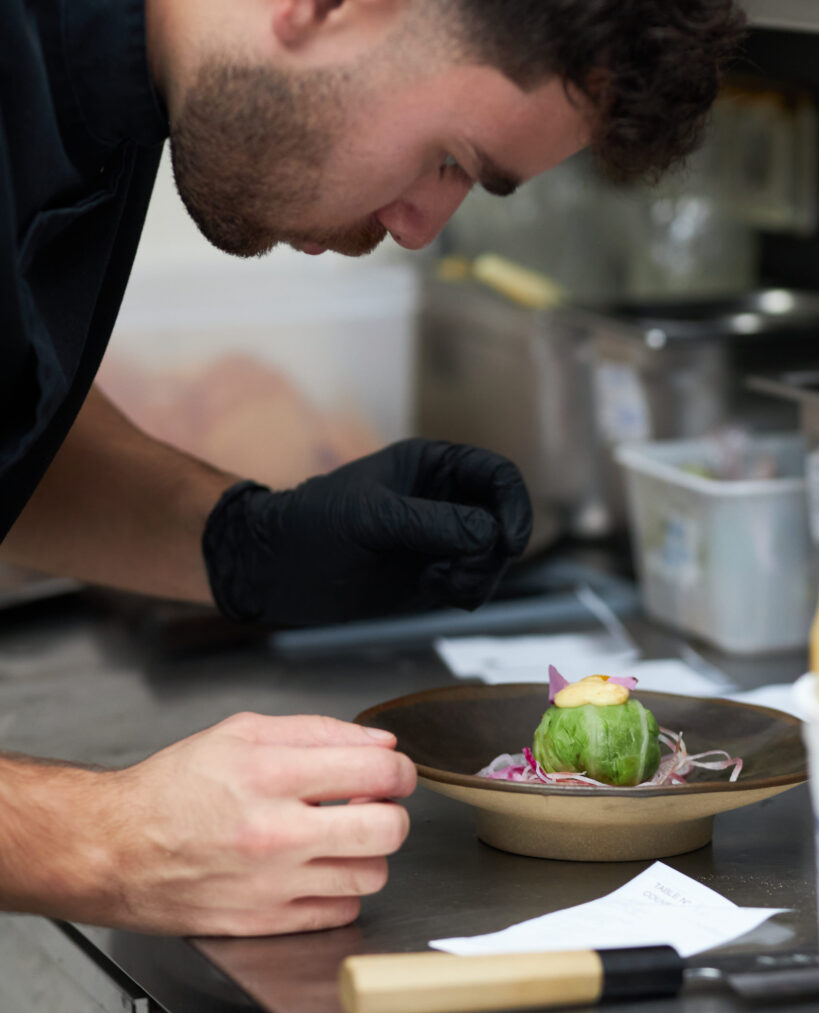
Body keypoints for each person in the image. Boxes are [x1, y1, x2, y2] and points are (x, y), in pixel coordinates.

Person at [0, 0, 745, 936]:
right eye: (448, 159)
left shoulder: (111, 94)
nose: (422, 227)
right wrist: (104, 840)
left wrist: (243, 541)